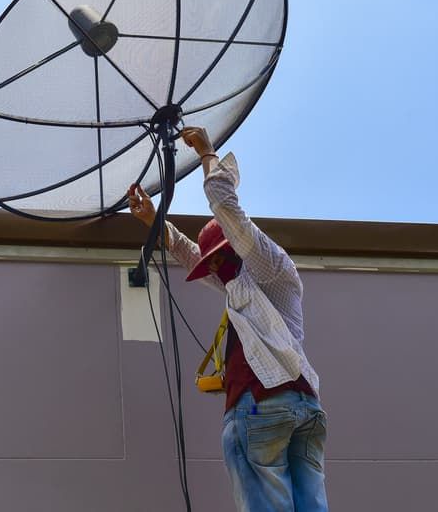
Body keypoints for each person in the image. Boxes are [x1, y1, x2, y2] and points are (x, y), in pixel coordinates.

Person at [127, 126, 328, 512]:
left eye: (219, 255)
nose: (215, 266)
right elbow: (190, 254)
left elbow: (224, 203)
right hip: (304, 408)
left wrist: (207, 154)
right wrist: (156, 223)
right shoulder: (244, 285)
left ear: (234, 245)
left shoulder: (267, 267)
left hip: (260, 405)